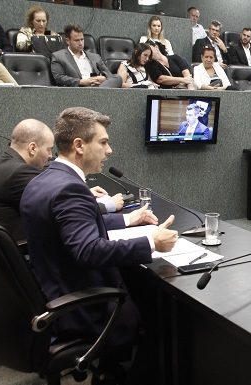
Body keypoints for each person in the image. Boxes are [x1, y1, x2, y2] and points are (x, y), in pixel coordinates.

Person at [20, 107, 178, 381]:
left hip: (50, 290)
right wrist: (150, 241)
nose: (109, 151)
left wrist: (127, 220)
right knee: (163, 317)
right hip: (81, 308)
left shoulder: (43, 180)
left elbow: (69, 230)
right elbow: (88, 250)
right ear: (79, 145)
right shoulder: (71, 189)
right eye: (103, 142)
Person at [0, 119, 53, 240]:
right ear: (32, 148)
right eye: (49, 149)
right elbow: (59, 200)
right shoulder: (19, 172)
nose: (50, 155)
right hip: (18, 249)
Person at [51, 24, 122, 88]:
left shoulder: (95, 57)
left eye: (82, 39)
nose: (80, 43)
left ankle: (98, 93)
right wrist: (81, 82)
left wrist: (104, 77)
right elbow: (59, 78)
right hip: (80, 88)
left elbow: (109, 74)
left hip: (98, 85)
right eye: (77, 40)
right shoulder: (58, 56)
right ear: (68, 41)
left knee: (117, 78)